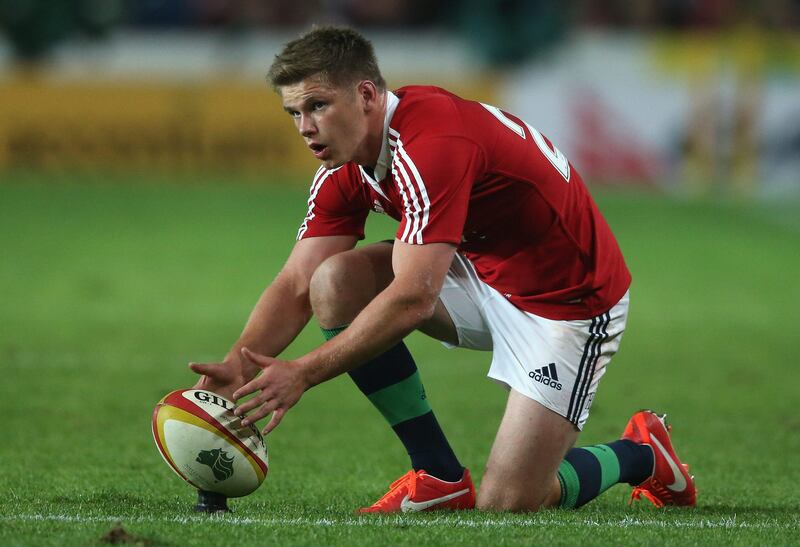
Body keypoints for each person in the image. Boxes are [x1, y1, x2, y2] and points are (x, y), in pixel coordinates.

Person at [189, 26, 696, 512]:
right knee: (334, 281)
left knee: (511, 501)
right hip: (476, 271)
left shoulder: (432, 143)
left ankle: (643, 452)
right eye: (294, 112)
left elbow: (413, 298)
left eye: (318, 106)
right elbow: (299, 281)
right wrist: (239, 364)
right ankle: (438, 475)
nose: (305, 127)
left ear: (366, 95)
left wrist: (303, 372)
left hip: (565, 303)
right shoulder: (345, 165)